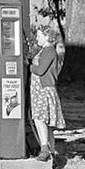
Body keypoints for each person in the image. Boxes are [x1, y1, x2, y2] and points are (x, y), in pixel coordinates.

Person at [29, 24, 66, 161]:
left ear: (46, 37)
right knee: (46, 122)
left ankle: (44, 149)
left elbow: (40, 70)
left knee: (40, 119)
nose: (37, 38)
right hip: (42, 89)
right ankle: (51, 151)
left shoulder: (48, 50)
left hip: (43, 89)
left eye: (39, 35)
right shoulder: (46, 50)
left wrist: (28, 66)